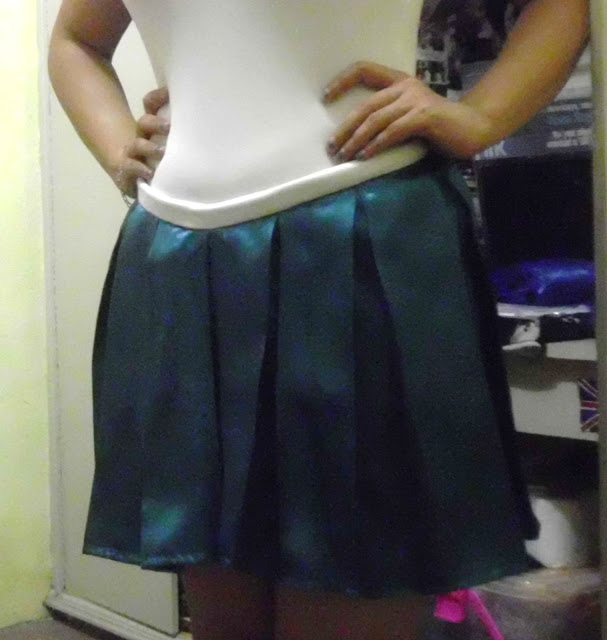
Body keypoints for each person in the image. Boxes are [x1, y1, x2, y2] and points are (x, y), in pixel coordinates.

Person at [48, 2, 589, 640]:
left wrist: (484, 118)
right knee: (222, 617)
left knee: (351, 586)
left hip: (364, 238)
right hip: (183, 260)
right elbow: (76, 40)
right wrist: (120, 151)